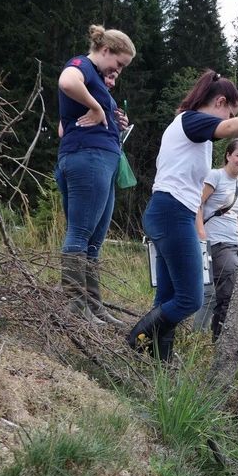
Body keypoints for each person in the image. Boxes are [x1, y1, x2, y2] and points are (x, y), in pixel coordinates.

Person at [128, 70, 238, 361]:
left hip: (166, 212)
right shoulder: (191, 120)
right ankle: (136, 338)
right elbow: (229, 129)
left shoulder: (188, 126)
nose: (227, 120)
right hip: (173, 213)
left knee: (167, 298)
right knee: (190, 299)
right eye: (228, 113)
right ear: (219, 102)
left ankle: (159, 366)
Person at [56, 25, 134, 326]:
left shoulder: (96, 78)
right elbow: (66, 81)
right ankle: (76, 309)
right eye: (119, 64)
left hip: (101, 160)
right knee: (80, 233)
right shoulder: (82, 66)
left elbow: (66, 124)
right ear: (105, 51)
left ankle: (94, 306)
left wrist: (112, 118)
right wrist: (95, 107)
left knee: (94, 240)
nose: (118, 70)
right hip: (87, 159)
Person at [195, 138, 238, 341]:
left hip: (235, 244)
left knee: (212, 294)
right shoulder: (215, 176)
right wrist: (201, 233)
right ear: (228, 155)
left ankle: (201, 337)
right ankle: (218, 340)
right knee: (228, 292)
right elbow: (197, 203)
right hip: (216, 242)